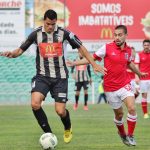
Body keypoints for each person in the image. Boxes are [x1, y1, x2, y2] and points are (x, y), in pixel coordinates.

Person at [0, 9, 106, 144]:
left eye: (53, 24)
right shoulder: (35, 34)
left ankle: (67, 127)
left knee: (60, 111)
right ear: (44, 21)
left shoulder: (65, 34)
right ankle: (48, 133)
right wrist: (12, 54)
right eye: (48, 24)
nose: (50, 27)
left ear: (57, 22)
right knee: (35, 104)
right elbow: (20, 50)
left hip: (60, 78)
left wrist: (94, 64)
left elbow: (81, 48)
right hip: (42, 76)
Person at [67, 25, 148, 146]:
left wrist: (139, 73)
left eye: (120, 35)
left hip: (124, 84)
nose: (117, 37)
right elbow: (92, 59)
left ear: (126, 35)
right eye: (115, 35)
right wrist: (74, 63)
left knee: (131, 108)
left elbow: (129, 63)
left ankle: (130, 135)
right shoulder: (106, 48)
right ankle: (122, 134)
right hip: (110, 88)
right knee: (119, 115)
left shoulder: (129, 50)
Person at [134, 39, 150, 119]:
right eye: (145, 45)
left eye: (148, 45)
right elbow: (136, 66)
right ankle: (145, 113)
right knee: (144, 95)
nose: (146, 46)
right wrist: (137, 76)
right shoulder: (139, 55)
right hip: (143, 79)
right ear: (143, 46)